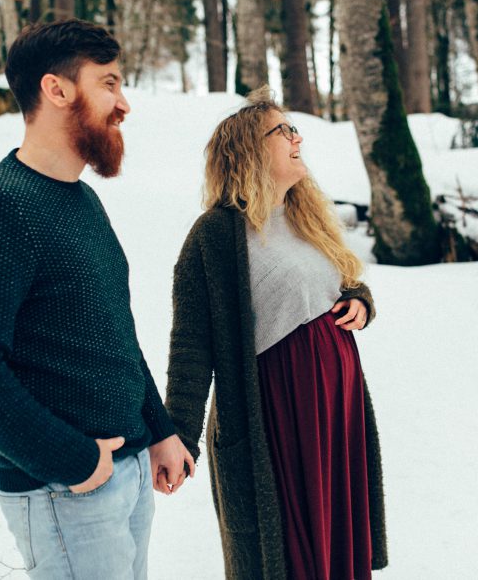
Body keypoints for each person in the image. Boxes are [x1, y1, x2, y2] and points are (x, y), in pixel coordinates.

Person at [0, 19, 193, 580]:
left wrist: (159, 428)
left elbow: (112, 338)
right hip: (62, 490)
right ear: (57, 90)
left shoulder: (81, 203)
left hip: (118, 475)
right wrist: (73, 461)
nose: (124, 104)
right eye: (110, 84)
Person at [164, 88, 388, 579]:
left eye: (294, 129)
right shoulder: (217, 234)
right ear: (248, 148)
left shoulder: (305, 217)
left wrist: (360, 301)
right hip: (279, 413)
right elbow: (190, 344)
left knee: (335, 542)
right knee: (289, 554)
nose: (297, 136)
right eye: (283, 130)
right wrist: (177, 433)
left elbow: (342, 282)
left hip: (335, 409)